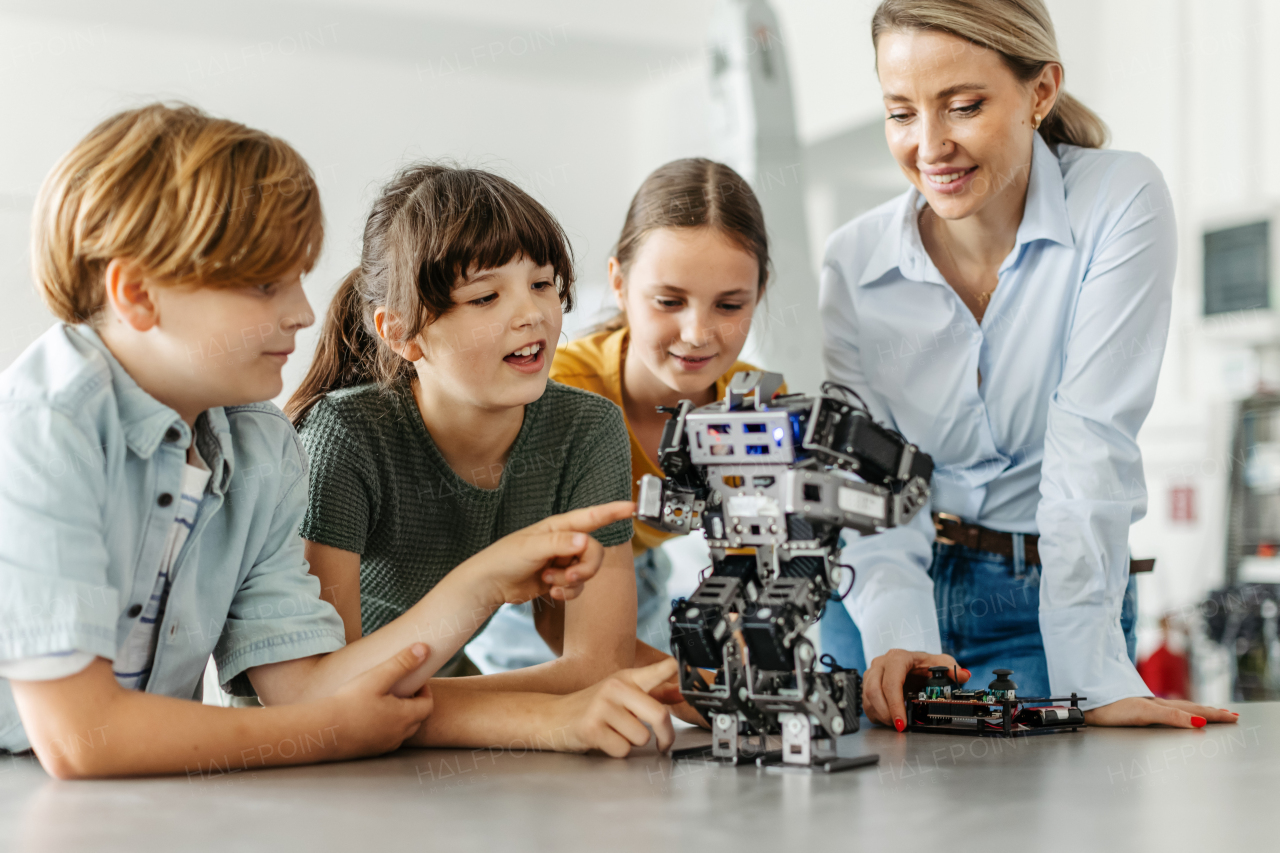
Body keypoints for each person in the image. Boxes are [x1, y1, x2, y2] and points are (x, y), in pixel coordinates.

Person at [0, 104, 676, 779]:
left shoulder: (258, 444)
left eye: (298, 277)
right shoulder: (47, 424)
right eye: (267, 284)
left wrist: (483, 581)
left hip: (131, 800)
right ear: (137, 294)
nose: (301, 311)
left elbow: (308, 684)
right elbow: (84, 738)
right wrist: (329, 732)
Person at [819, 0, 1237, 731]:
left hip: (1043, 602)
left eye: (964, 106)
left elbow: (1091, 444)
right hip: (877, 600)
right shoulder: (854, 264)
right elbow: (871, 483)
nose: (930, 145)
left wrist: (1092, 677)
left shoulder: (1118, 202)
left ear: (1040, 92)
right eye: (901, 113)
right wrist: (899, 638)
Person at [289, 163, 683, 738]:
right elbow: (323, 698)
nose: (532, 315)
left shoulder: (588, 428)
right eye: (485, 296)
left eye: (542, 283)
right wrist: (544, 717)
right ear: (401, 334)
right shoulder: (346, 436)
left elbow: (597, 665)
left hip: (423, 729)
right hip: (292, 756)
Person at [474, 157, 776, 671]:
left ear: (759, 295)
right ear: (618, 282)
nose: (698, 334)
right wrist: (685, 688)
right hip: (528, 605)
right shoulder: (557, 391)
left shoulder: (754, 404)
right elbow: (558, 620)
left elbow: (754, 556)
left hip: (643, 583)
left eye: (729, 306)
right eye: (668, 301)